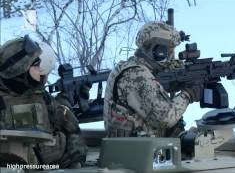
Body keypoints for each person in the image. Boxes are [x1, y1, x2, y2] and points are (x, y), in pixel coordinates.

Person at [0, 35, 87, 168]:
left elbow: (71, 129)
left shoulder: (41, 97)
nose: (41, 70)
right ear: (20, 70)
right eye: (36, 65)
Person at [103, 21, 201, 137]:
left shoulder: (129, 65)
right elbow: (165, 118)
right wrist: (188, 94)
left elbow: (152, 91)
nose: (170, 56)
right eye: (168, 51)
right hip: (136, 151)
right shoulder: (138, 75)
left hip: (133, 145)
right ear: (158, 51)